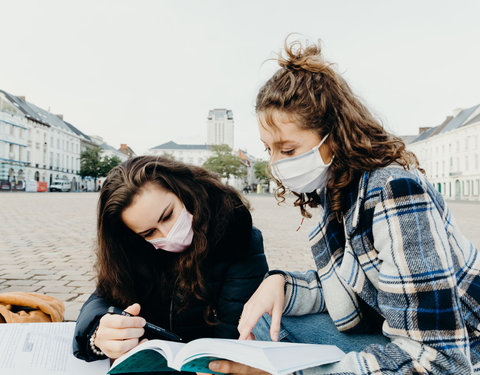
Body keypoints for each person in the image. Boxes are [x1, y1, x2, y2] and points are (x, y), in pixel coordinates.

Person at [207, 39, 480, 374]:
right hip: (391, 329)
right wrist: (282, 284)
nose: (276, 165)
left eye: (288, 150)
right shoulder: (336, 190)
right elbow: (361, 291)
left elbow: (441, 362)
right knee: (266, 321)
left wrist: (292, 373)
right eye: (269, 150)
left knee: (268, 354)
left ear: (333, 136)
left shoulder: (394, 192)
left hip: (466, 349)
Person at [73, 155, 268, 361]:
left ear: (184, 191)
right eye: (149, 233)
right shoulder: (133, 250)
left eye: (167, 216)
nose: (166, 233)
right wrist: (98, 334)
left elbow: (236, 332)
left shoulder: (236, 236)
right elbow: (103, 298)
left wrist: (214, 362)